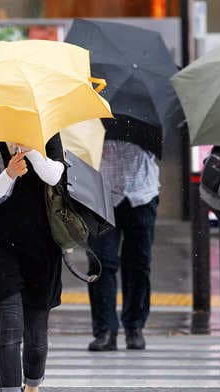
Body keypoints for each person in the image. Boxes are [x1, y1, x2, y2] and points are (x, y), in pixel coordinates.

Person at [0, 136, 64, 392]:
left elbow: (55, 175)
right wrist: (8, 174)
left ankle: (32, 385)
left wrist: (32, 152)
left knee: (37, 337)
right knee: (10, 326)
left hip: (40, 244)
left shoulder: (44, 129)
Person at [86, 137, 159, 352]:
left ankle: (134, 327)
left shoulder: (147, 112)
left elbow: (159, 144)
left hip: (142, 191)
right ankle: (105, 330)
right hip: (102, 192)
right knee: (101, 263)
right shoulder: (94, 113)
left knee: (139, 263)